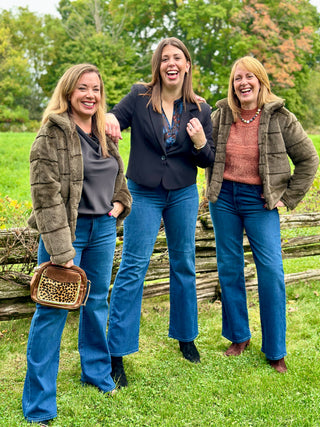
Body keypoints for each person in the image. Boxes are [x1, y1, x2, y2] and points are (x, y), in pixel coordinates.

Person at [22, 63, 132, 425]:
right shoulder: (50, 136)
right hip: (65, 233)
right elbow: (45, 196)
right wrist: (60, 250)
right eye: (83, 88)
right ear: (69, 92)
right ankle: (39, 405)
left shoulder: (103, 133)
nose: (90, 95)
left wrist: (118, 204)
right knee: (51, 311)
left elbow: (117, 174)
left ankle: (96, 373)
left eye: (96, 89)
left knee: (97, 302)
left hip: (102, 229)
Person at [105, 37, 215, 387]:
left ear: (186, 65)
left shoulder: (200, 108)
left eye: (177, 57)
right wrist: (107, 116)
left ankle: (186, 337)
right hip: (143, 192)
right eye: (165, 57)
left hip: (182, 192)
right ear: (158, 65)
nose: (171, 62)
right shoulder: (139, 96)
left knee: (183, 263)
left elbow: (208, 159)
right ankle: (117, 353)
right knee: (133, 267)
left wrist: (199, 142)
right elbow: (113, 119)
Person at [206, 56, 319, 373]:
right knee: (229, 267)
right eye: (237, 78)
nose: (243, 83)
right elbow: (202, 150)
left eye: (248, 77)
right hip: (224, 198)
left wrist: (287, 198)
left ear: (260, 80)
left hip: (261, 201)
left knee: (270, 272)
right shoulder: (221, 116)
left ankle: (275, 350)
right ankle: (238, 336)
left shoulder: (281, 117)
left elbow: (309, 159)